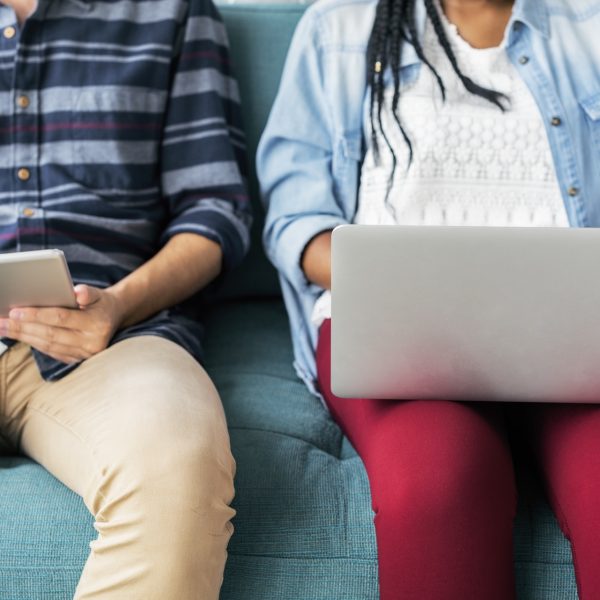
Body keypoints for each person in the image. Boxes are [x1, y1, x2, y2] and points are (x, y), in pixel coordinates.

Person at [258, 0, 600, 597]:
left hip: (572, 330)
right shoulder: (336, 29)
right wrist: (388, 281)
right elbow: (296, 217)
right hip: (399, 331)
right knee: (438, 484)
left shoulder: (590, 25)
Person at [0, 0, 250, 597]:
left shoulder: (174, 11)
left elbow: (216, 211)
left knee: (175, 468)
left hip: (112, 337)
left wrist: (116, 305)